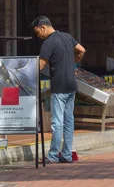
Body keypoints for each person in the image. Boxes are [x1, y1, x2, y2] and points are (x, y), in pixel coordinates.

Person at [32, 16, 86, 163]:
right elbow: (81, 50)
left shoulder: (48, 43)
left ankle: (53, 155)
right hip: (71, 85)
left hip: (59, 85)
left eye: (38, 32)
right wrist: (72, 65)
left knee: (57, 121)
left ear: (43, 27)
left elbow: (40, 65)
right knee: (68, 120)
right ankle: (67, 154)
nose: (38, 36)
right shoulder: (67, 37)